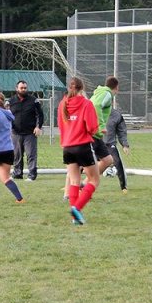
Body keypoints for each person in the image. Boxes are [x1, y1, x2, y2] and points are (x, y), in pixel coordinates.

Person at [58, 77, 99, 225]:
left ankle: (75, 218)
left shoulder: (62, 104)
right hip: (82, 146)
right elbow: (92, 128)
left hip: (67, 147)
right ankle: (77, 208)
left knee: (74, 181)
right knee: (94, 179)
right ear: (82, 89)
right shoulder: (86, 104)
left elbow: (61, 126)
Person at [7, 79, 44, 180]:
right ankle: (17, 174)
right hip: (15, 133)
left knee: (31, 154)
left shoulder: (33, 100)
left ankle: (32, 175)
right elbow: (7, 116)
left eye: (25, 88)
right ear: (17, 89)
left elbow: (40, 115)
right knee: (17, 155)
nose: (23, 90)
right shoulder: (11, 101)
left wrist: (38, 127)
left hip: (30, 133)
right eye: (21, 88)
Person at [89, 76, 120, 175]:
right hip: (92, 133)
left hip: (96, 134)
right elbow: (96, 106)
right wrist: (101, 126)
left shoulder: (100, 93)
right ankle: (73, 185)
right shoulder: (107, 94)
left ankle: (85, 183)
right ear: (116, 87)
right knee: (83, 162)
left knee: (108, 160)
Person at [105, 106, 131, 194]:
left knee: (118, 163)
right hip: (95, 144)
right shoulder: (93, 112)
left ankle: (123, 187)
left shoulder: (116, 115)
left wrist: (125, 145)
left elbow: (121, 132)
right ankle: (73, 185)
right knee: (82, 164)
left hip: (110, 145)